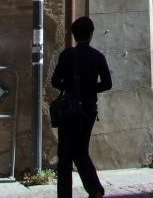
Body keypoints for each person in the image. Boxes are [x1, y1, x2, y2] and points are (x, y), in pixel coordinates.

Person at [51, 16, 112, 198]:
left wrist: (70, 87)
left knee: (65, 156)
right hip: (87, 109)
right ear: (91, 34)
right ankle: (95, 190)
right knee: (81, 151)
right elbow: (107, 83)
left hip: (69, 109)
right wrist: (90, 88)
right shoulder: (97, 57)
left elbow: (55, 81)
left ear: (75, 35)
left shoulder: (66, 55)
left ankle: (66, 195)